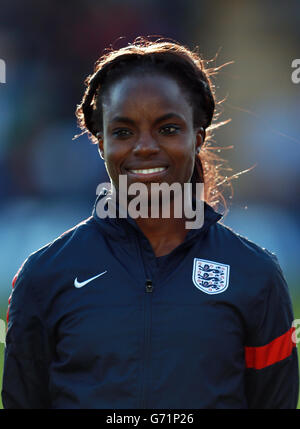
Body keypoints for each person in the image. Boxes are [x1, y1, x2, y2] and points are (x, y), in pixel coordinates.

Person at [2, 38, 299, 409]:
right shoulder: (45, 276)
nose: (144, 147)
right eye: (123, 132)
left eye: (168, 128)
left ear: (198, 137)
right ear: (100, 144)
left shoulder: (255, 276)